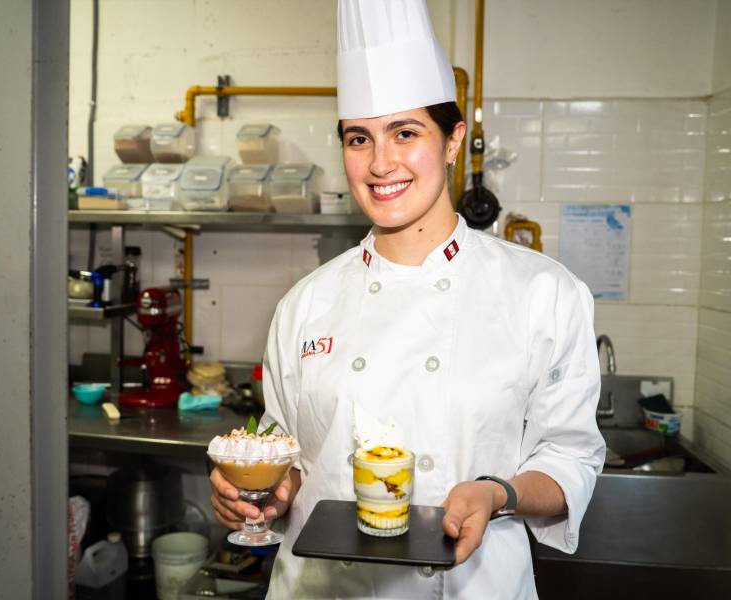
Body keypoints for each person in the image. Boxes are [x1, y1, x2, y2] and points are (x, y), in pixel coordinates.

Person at [210, 1, 606, 597]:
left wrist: (499, 492)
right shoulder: (305, 304)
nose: (380, 163)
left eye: (405, 132)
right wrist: (260, 492)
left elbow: (569, 458)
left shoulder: (543, 293)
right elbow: (286, 450)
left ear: (453, 140)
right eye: (358, 138)